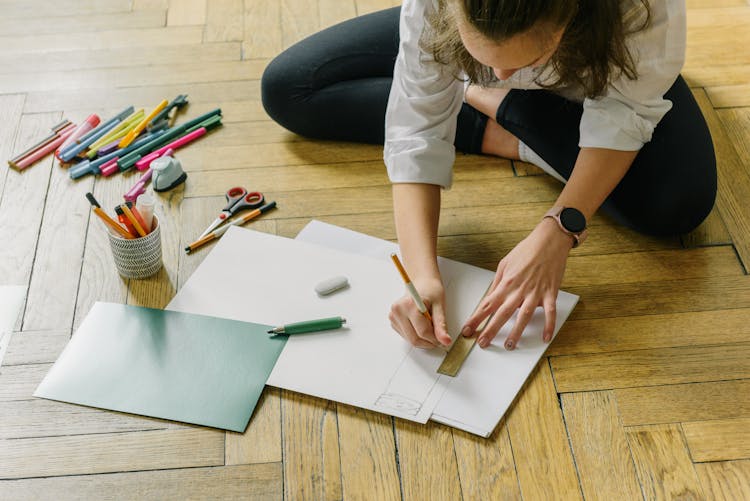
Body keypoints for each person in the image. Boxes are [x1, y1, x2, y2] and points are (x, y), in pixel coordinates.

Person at [261, 0, 717, 352]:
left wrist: (559, 227)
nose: (500, 74)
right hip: (484, 45)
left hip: (601, 72)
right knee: (289, 88)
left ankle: (493, 106)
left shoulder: (640, 9)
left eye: (519, 64)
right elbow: (415, 129)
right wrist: (421, 273)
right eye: (484, 61)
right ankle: (497, 122)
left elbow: (626, 110)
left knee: (678, 202)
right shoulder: (439, 10)